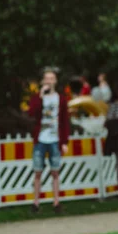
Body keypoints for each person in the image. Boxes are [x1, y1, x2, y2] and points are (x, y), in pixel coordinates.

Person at [28, 68, 69, 213]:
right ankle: (36, 203)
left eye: (52, 79)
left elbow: (65, 121)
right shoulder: (38, 97)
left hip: (55, 140)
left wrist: (64, 142)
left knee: (55, 172)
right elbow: (32, 113)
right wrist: (40, 96)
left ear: (55, 81)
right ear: (43, 81)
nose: (49, 81)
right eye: (47, 79)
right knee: (37, 172)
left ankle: (56, 202)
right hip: (40, 139)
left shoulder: (61, 99)